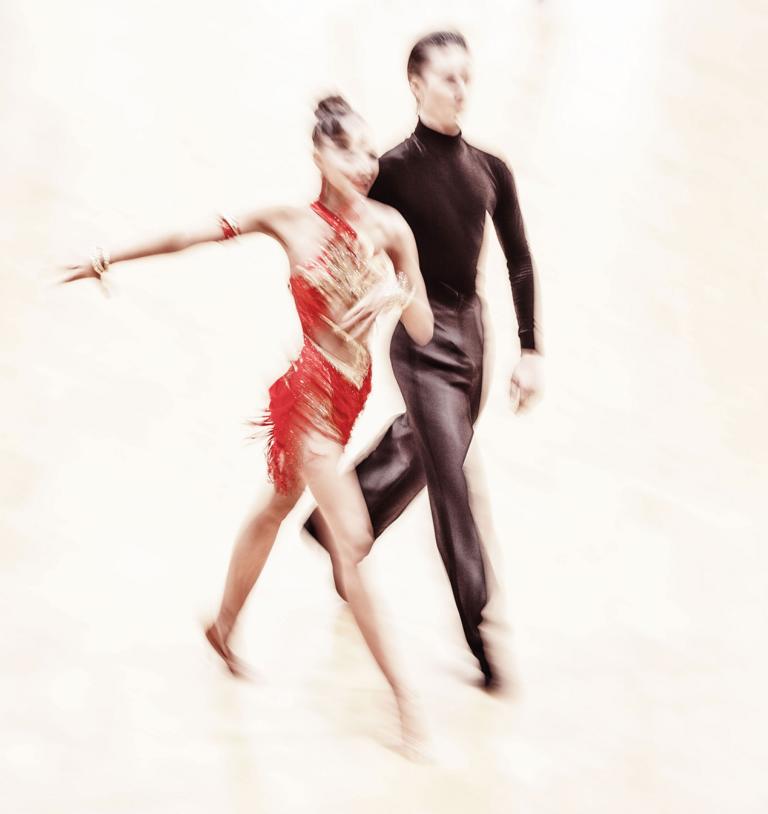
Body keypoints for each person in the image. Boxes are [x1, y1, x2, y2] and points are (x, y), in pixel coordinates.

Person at [60, 96, 434, 752]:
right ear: (319, 154)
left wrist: (396, 291)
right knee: (351, 539)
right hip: (310, 399)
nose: (364, 164)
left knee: (274, 508)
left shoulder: (391, 228)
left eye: (370, 152)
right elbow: (193, 235)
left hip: (351, 399)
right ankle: (406, 704)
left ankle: (223, 626)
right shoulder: (288, 221)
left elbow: (424, 328)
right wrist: (108, 255)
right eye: (348, 150)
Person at [305, 33, 542, 689]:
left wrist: (530, 350)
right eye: (447, 78)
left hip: (475, 337)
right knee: (454, 480)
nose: (461, 89)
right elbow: (338, 220)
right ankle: (482, 632)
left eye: (467, 77)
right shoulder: (391, 169)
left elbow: (520, 260)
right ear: (416, 85)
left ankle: (336, 522)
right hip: (420, 339)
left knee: (425, 445)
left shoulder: (491, 170)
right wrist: (336, 312)